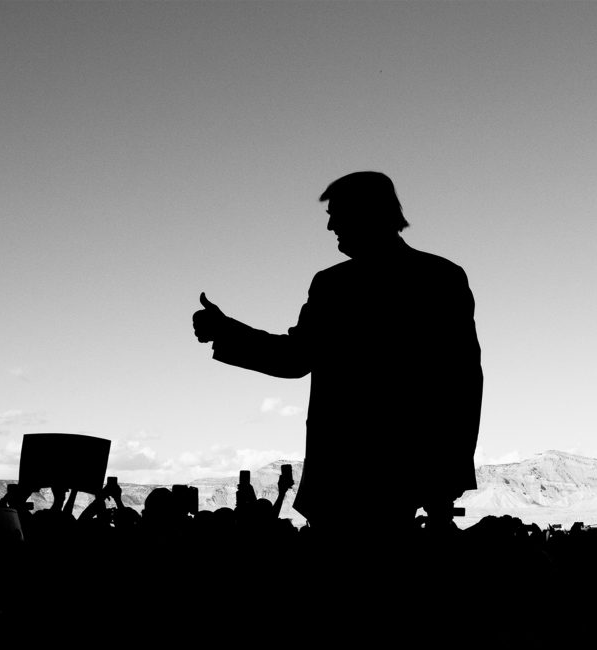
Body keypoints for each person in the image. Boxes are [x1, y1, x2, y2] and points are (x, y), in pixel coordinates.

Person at [193, 171, 483, 536]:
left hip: (349, 477)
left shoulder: (336, 285)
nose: (330, 226)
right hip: (402, 479)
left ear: (368, 213)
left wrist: (228, 332)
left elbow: (296, 358)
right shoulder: (440, 276)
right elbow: (465, 382)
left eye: (336, 214)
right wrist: (447, 474)